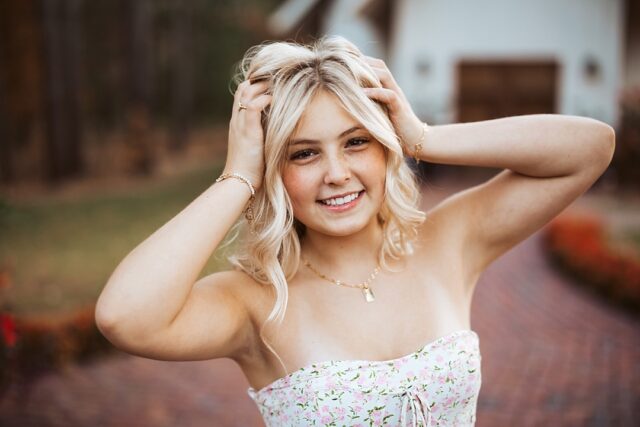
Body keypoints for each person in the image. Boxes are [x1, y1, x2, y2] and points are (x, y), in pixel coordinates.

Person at [94, 35, 616, 426]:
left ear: (385, 148)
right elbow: (125, 316)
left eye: (356, 142)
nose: (337, 173)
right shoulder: (254, 301)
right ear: (276, 171)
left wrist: (422, 137)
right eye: (304, 153)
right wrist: (239, 176)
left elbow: (589, 148)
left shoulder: (448, 241)